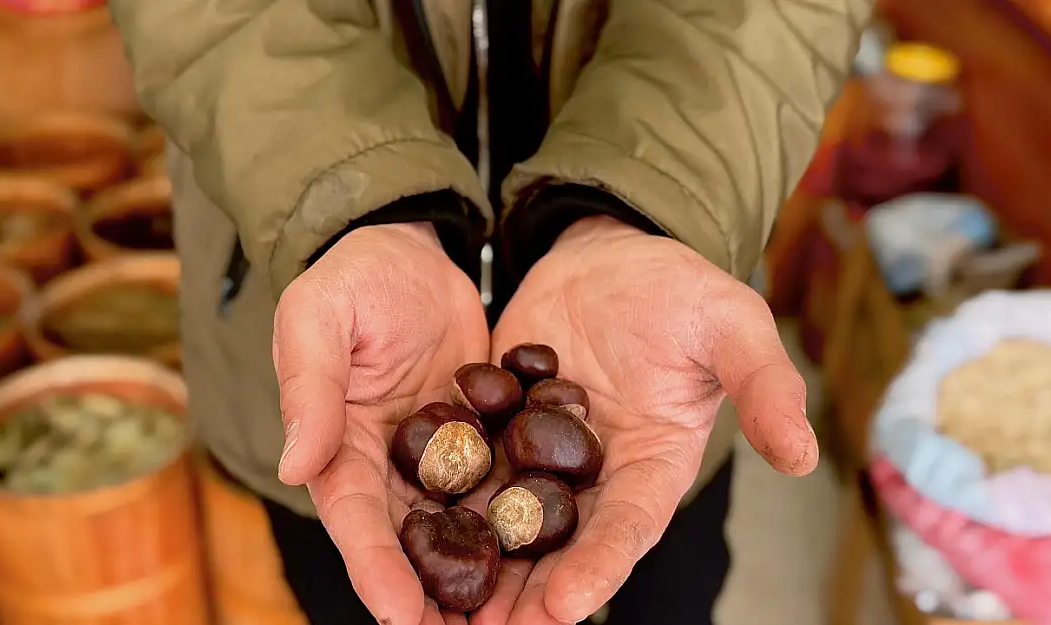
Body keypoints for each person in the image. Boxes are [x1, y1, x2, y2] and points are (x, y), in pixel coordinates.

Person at [108, 1, 871, 624]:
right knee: (360, 589)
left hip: (646, 341)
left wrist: (642, 201)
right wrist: (350, 199)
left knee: (668, 589)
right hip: (344, 354)